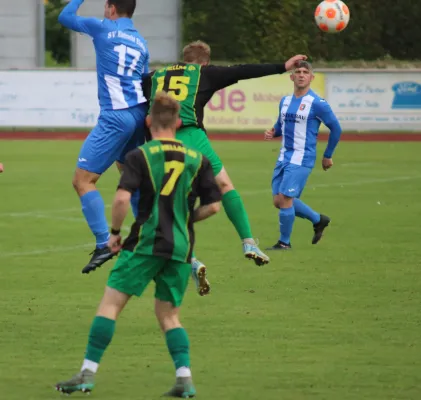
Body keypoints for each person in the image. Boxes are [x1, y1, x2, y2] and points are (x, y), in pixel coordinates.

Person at [55, 91, 222, 398]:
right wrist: (184, 220)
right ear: (178, 122)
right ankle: (184, 379)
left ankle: (87, 374)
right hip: (181, 248)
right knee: (169, 316)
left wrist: (115, 233)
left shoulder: (140, 155)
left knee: (110, 305)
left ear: (148, 121)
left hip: (144, 243)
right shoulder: (197, 159)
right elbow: (213, 206)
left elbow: (121, 199)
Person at [142, 40, 307, 295]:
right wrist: (282, 66)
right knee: (225, 185)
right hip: (194, 138)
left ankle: (192, 260)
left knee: (173, 207)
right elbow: (241, 70)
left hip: (163, 142)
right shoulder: (204, 73)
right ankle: (249, 242)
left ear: (183, 57)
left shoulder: (154, 76)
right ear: (205, 62)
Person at [58, 0, 149, 273]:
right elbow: (144, 80)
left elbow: (65, 16)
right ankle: (151, 234)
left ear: (110, 8)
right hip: (138, 115)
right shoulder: (141, 42)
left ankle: (103, 243)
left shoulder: (102, 27)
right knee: (129, 176)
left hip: (115, 117)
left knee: (83, 180)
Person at [264, 60, 342, 250]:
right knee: (278, 201)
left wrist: (327, 155)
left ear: (311, 77)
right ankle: (318, 219)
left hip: (302, 158)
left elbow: (336, 128)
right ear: (291, 76)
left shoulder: (317, 103)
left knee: (285, 198)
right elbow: (280, 126)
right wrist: (273, 132)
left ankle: (284, 243)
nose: (300, 75)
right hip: (284, 156)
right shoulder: (285, 101)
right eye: (297, 71)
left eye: (305, 72)